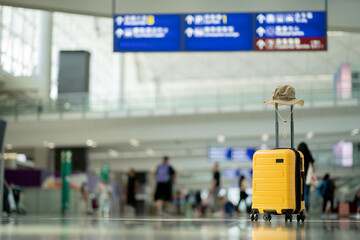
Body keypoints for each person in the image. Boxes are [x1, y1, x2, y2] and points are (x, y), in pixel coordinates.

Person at [297, 142, 315, 212]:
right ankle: (305, 208)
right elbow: (312, 164)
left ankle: (299, 207)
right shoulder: (308, 153)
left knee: (299, 192)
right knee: (306, 193)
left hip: (299, 177)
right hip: (307, 176)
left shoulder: (298, 154)